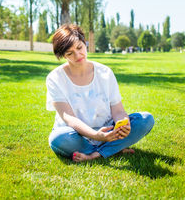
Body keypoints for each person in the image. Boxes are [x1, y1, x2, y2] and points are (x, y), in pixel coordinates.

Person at [46, 24, 154, 162]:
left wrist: (124, 123)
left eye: (79, 47)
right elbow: (69, 118)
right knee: (58, 138)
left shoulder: (105, 72)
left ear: (85, 43)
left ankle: (94, 154)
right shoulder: (54, 78)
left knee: (145, 119)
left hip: (108, 130)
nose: (78, 55)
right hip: (75, 134)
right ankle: (112, 149)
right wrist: (96, 135)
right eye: (69, 53)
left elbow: (118, 110)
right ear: (63, 56)